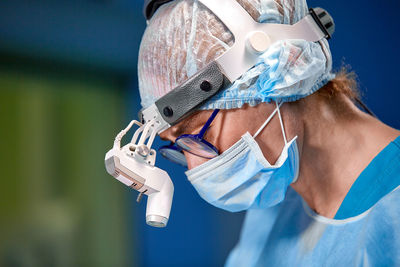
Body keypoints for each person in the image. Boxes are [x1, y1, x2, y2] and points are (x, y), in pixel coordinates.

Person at [138, 0, 400, 265]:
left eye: (198, 135)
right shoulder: (273, 217)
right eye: (180, 148)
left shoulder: (392, 212)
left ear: (281, 65)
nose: (194, 167)